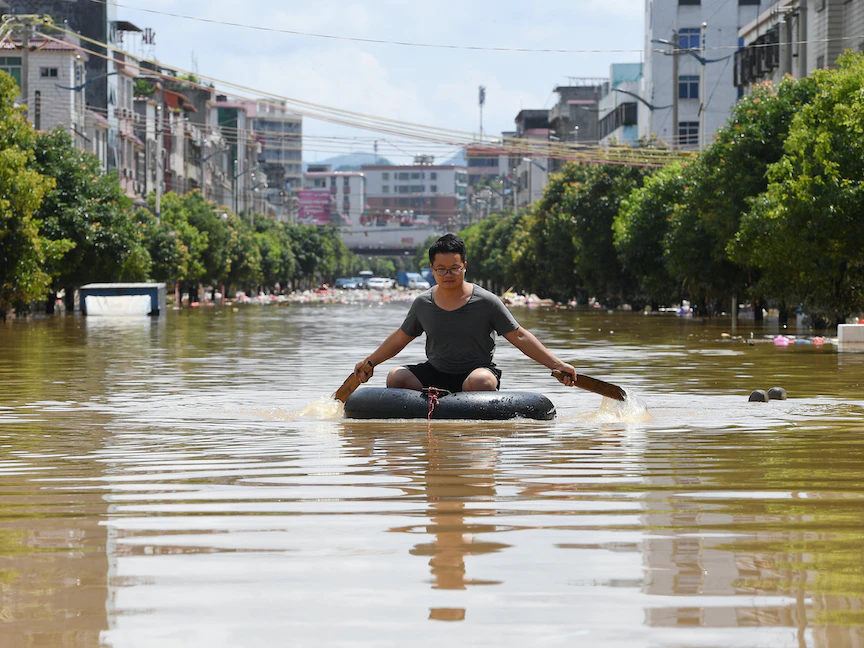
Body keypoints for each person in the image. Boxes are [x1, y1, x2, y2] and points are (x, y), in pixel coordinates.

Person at [353, 233, 577, 393]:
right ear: (432, 269)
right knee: (396, 377)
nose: (448, 274)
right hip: (435, 372)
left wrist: (557, 365)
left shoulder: (487, 301)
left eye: (455, 268)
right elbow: (400, 338)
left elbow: (519, 336)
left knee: (482, 382)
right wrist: (369, 362)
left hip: (476, 373)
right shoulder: (423, 303)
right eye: (441, 269)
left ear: (465, 266)